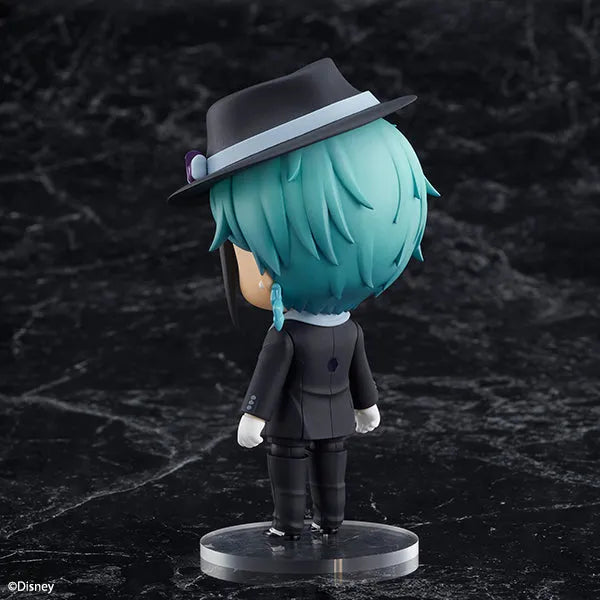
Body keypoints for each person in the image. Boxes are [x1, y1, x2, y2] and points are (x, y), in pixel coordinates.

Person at [168, 58, 438, 540]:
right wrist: (368, 407)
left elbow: (272, 377)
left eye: (240, 243)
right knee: (330, 472)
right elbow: (359, 374)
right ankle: (324, 522)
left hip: (293, 426)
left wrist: (253, 416)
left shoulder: (288, 336)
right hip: (332, 422)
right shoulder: (349, 330)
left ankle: (293, 525)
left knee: (293, 472)